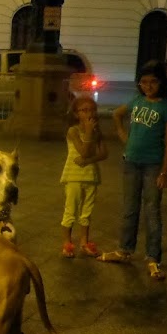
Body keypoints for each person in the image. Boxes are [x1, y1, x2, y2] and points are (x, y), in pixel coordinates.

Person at [97, 60, 167, 281]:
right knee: (129, 208)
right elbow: (117, 114)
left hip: (153, 165)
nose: (148, 86)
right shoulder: (136, 100)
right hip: (131, 161)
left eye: (153, 81)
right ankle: (125, 250)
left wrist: (166, 171)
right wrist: (124, 137)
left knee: (152, 211)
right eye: (144, 82)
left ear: (161, 82)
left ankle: (153, 257)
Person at [60, 95, 107, 258]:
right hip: (73, 176)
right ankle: (67, 242)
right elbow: (84, 151)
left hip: (91, 175)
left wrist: (89, 161)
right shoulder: (73, 131)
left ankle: (84, 241)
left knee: (87, 212)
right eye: (84, 110)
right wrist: (87, 131)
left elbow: (103, 153)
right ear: (76, 114)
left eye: (92, 109)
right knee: (70, 210)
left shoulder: (97, 131)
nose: (89, 113)